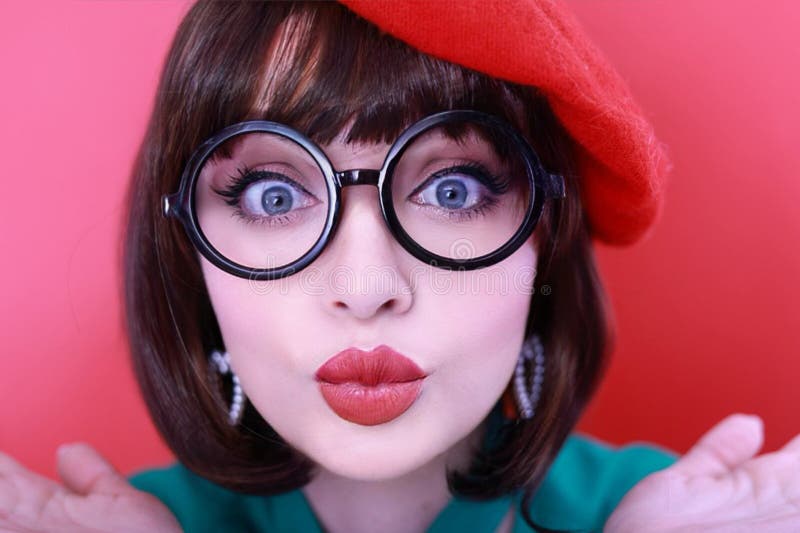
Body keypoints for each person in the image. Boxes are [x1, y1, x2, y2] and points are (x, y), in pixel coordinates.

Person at [1, 1, 799, 532]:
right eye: (274, 197)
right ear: (188, 251)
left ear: (541, 241)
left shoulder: (681, 516)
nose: (365, 287)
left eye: (452, 189)